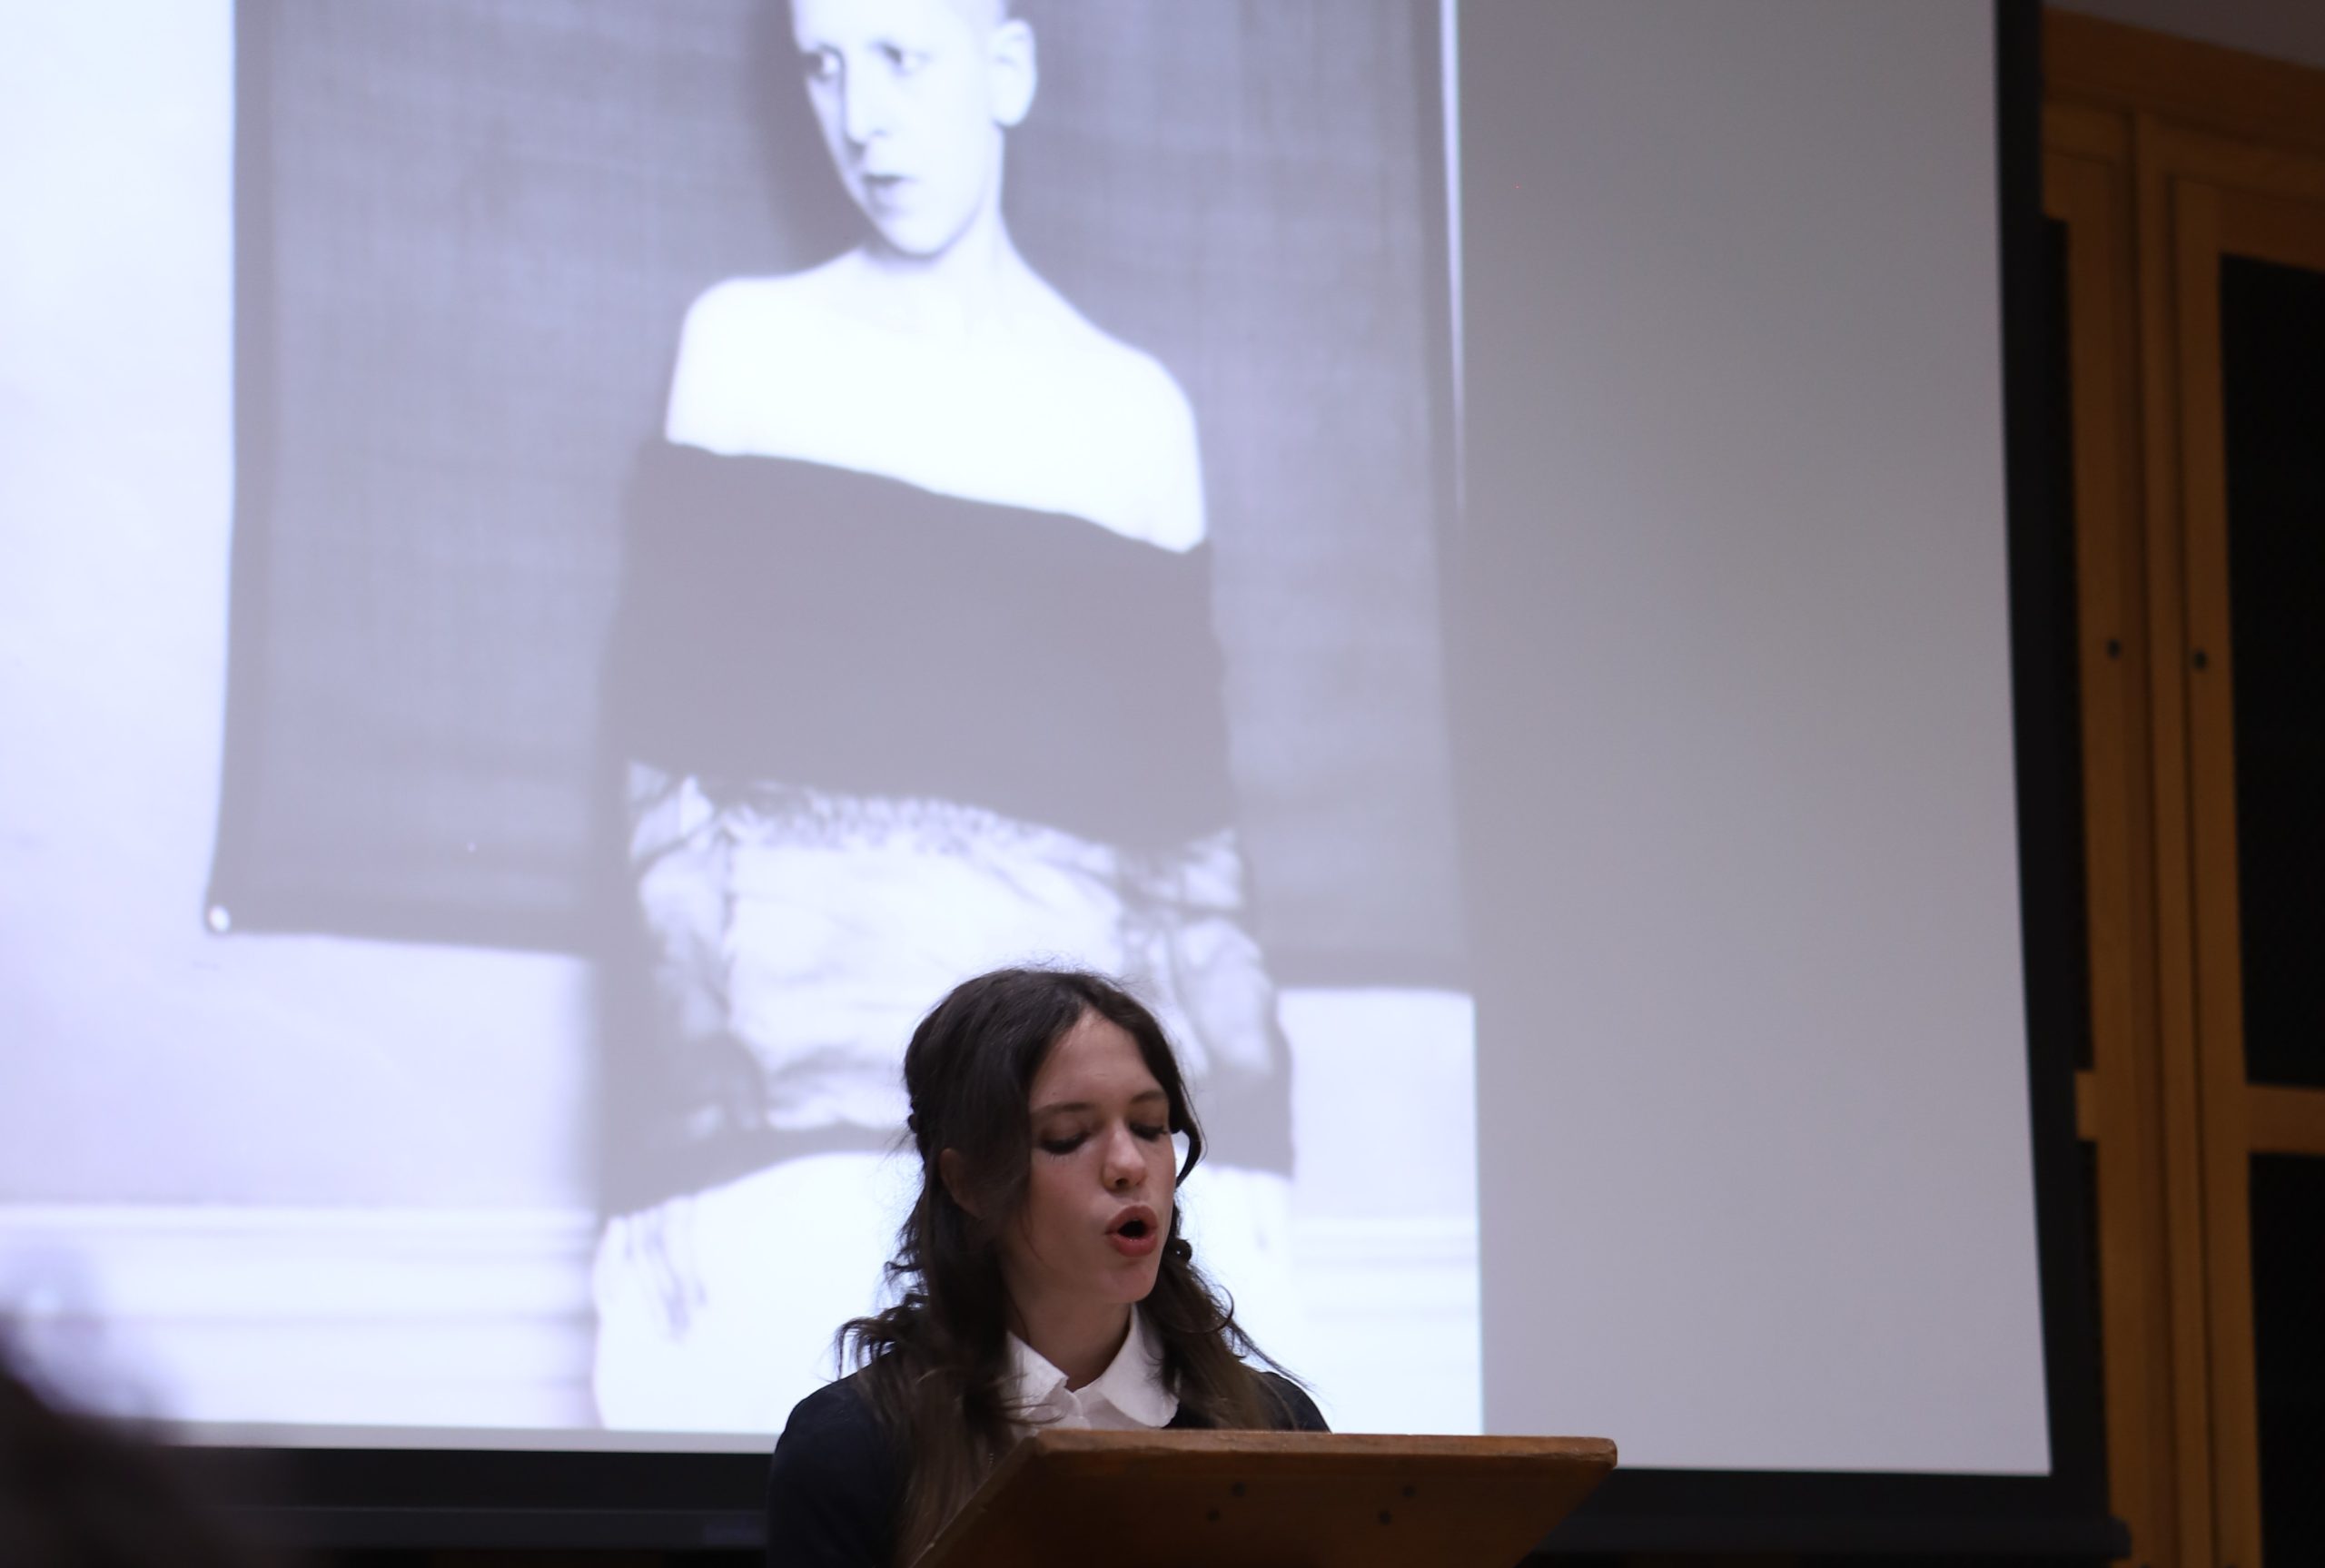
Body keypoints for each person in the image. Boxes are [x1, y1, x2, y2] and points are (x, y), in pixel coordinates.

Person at [593, 0, 1301, 1428]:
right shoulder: (742, 348)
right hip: (778, 1151)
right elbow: (663, 804)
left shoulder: (1130, 411)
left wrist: (1259, 1160)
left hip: (1066, 1204)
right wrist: (680, 1136)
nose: (862, 117)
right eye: (824, 64)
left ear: (1010, 66)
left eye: (904, 59)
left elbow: (1190, 860)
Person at [762, 969, 1323, 1568]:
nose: (1129, 1164)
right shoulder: (850, 1447)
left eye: (1149, 1126)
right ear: (968, 1181)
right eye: (1067, 1135)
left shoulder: (1278, 1426)